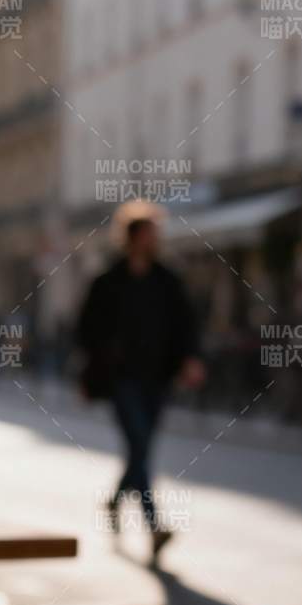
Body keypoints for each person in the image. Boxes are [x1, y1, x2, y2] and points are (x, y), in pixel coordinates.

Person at [76, 201, 205, 562]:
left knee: (140, 450)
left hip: (157, 379)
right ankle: (155, 525)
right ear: (132, 238)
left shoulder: (167, 279)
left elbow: (186, 324)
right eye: (148, 234)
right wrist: (103, 357)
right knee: (140, 444)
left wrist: (190, 360)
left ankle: (115, 502)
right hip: (121, 380)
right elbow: (85, 329)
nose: (154, 240)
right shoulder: (108, 280)